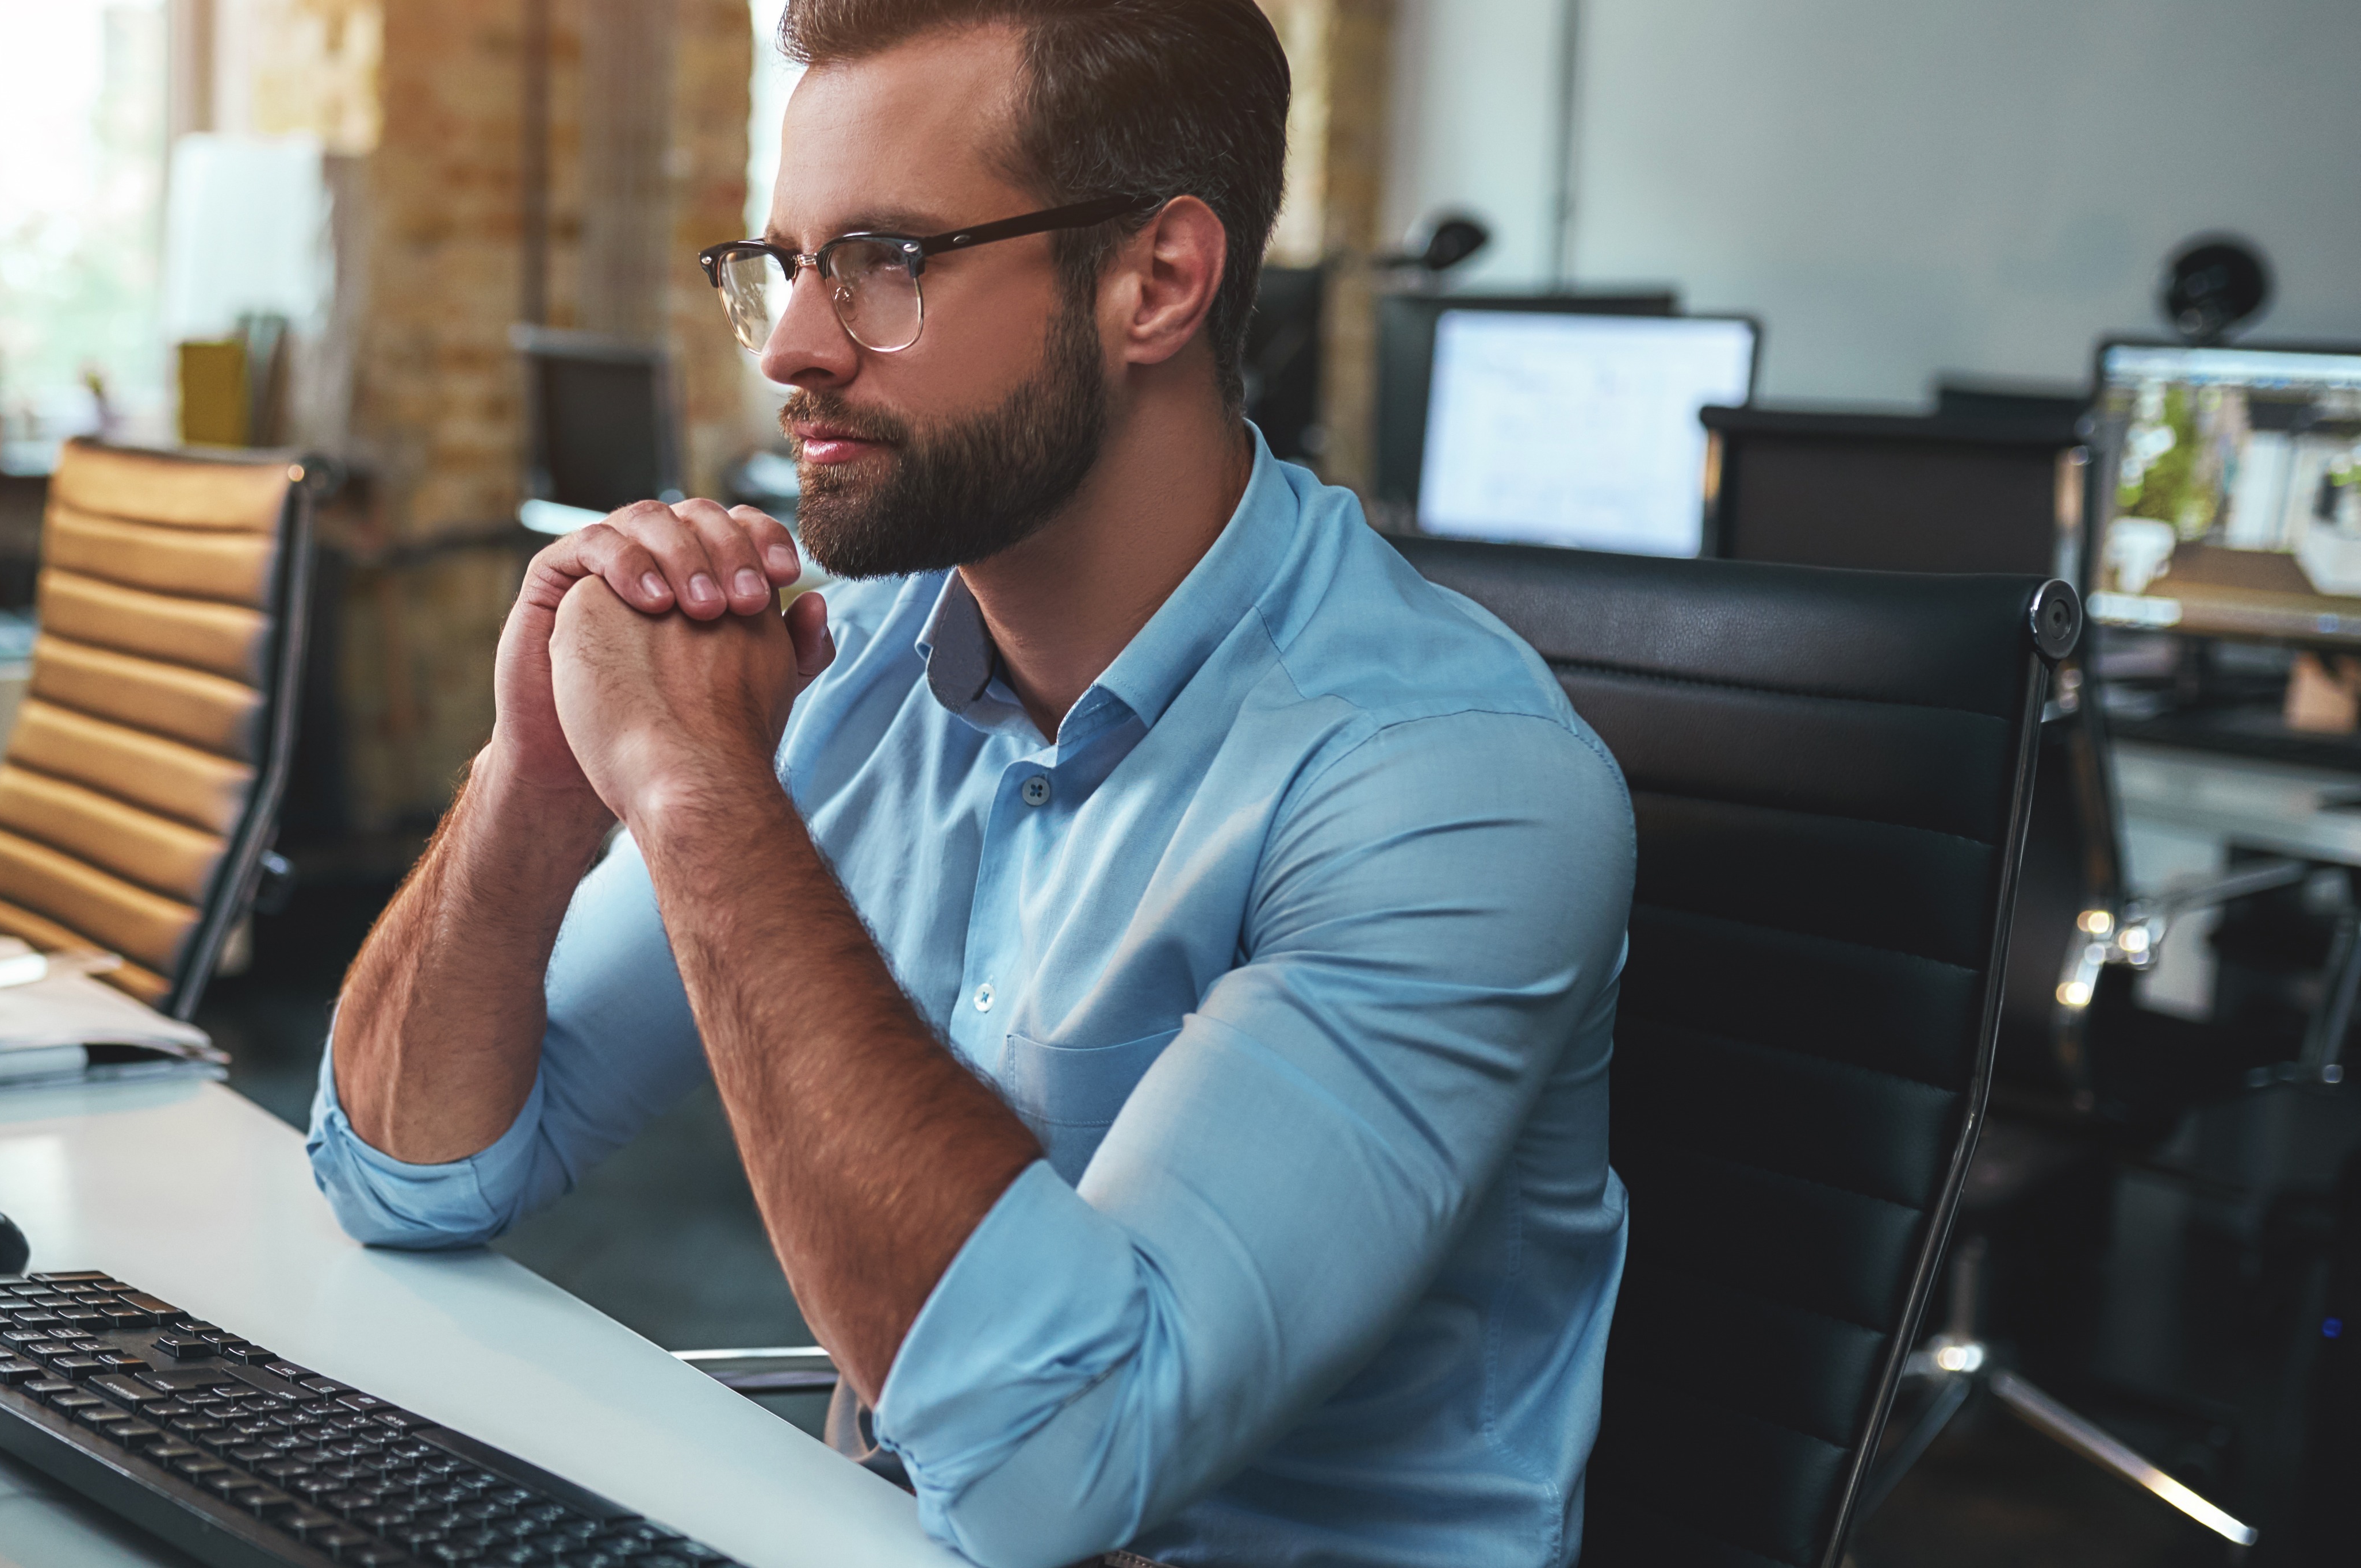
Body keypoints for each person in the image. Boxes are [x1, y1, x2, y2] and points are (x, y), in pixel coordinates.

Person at [308, 1, 1635, 1561]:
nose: (796, 347)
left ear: (1157, 281)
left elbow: (1048, 1473)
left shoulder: (1450, 784)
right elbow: (407, 1173)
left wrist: (695, 795)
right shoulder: (846, 664)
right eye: (786, 265)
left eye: (887, 264)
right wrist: (535, 781)